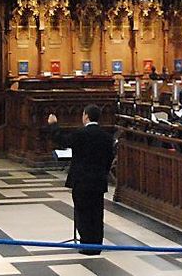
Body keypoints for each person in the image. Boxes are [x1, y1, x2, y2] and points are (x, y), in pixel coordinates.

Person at [47, 105, 114, 255]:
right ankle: (97, 244)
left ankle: (86, 244)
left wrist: (53, 125)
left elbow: (62, 141)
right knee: (97, 213)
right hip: (98, 180)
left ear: (86, 116)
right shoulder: (107, 137)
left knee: (83, 212)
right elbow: (109, 159)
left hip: (82, 180)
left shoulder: (80, 134)